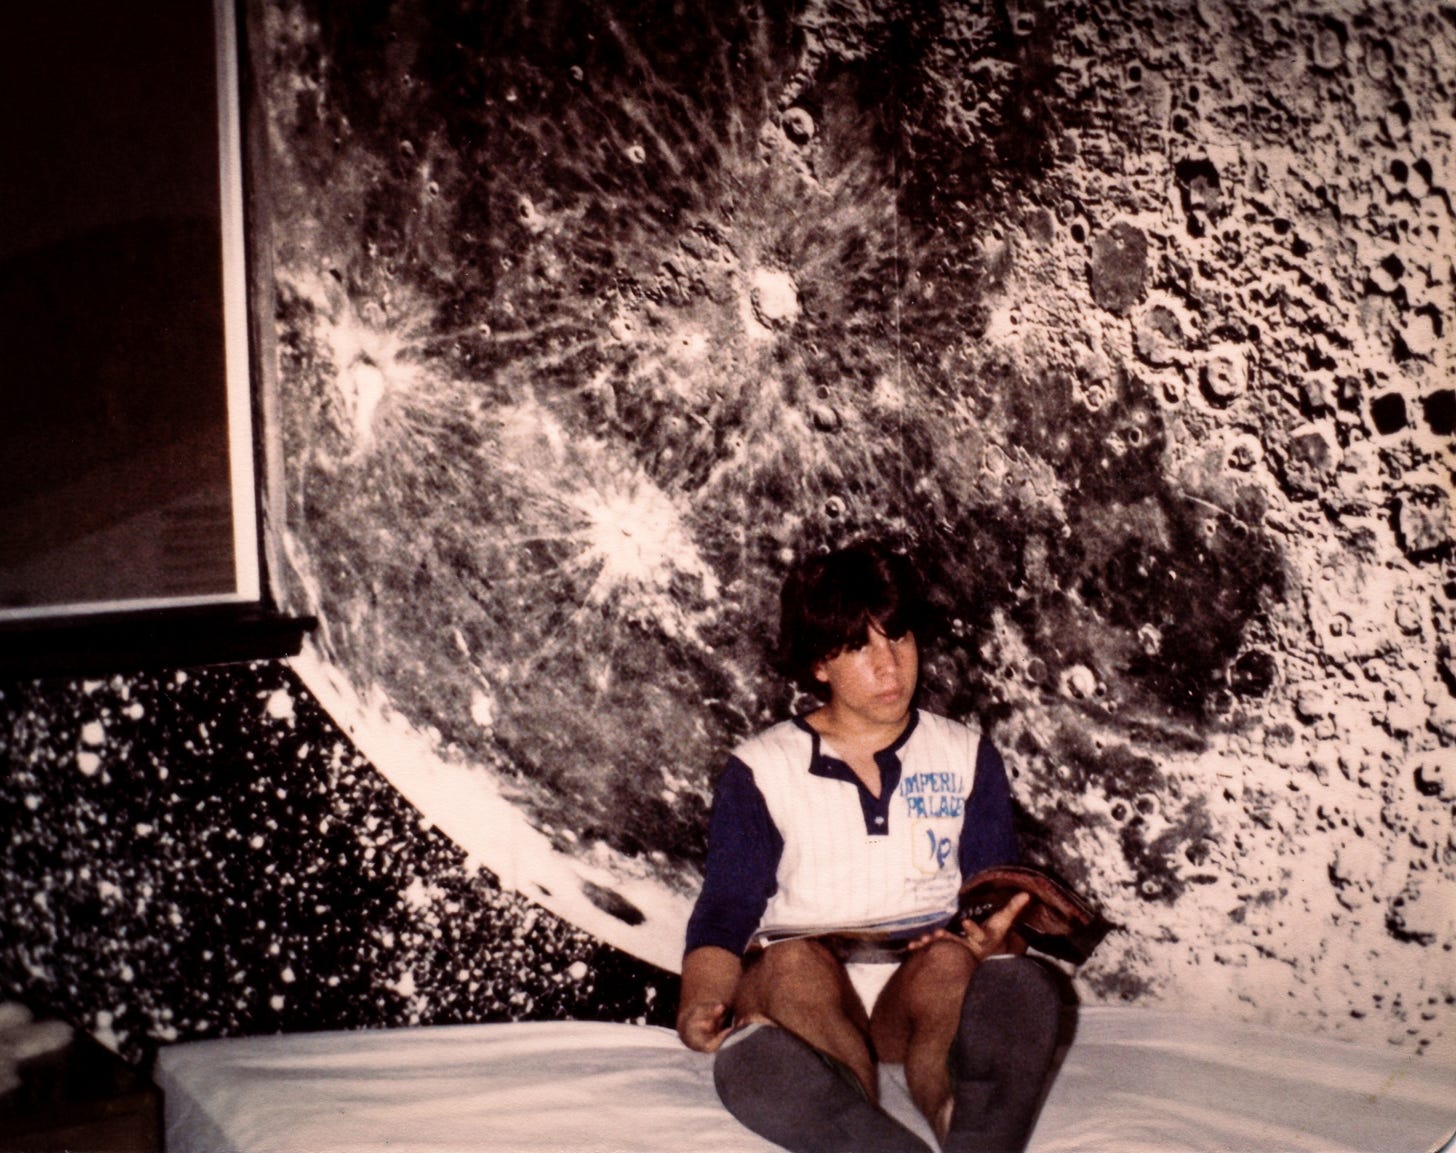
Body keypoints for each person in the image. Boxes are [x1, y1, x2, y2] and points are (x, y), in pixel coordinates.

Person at [676, 540, 1062, 1153]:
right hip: (802, 986)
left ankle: (960, 1116)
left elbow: (993, 895)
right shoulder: (760, 769)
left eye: (899, 637)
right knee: (793, 965)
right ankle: (855, 1124)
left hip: (910, 987)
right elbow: (725, 911)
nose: (890, 666)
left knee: (949, 966)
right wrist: (700, 1002)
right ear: (818, 665)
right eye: (859, 646)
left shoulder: (965, 754)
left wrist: (1000, 940)